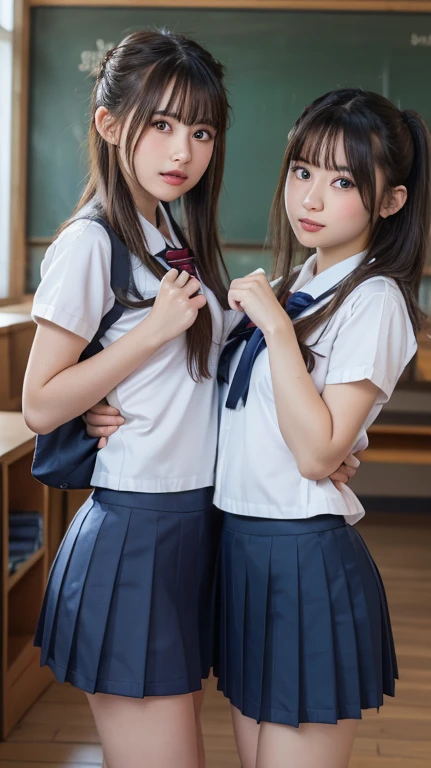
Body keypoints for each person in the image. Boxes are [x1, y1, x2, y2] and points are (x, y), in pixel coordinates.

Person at [23, 28, 235, 768]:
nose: (183, 150)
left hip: (187, 521)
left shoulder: (166, 226)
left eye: (201, 129)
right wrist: (144, 340)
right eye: (162, 123)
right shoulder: (93, 241)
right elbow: (40, 403)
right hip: (135, 532)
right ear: (111, 126)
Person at [212, 88, 431, 768]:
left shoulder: (376, 300)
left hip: (304, 557)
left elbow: (314, 454)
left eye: (341, 181)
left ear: (389, 201)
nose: (310, 196)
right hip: (242, 550)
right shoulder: (293, 283)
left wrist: (274, 326)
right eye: (302, 170)